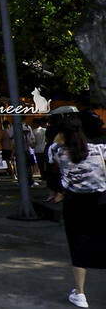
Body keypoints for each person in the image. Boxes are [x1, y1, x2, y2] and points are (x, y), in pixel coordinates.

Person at [50, 117, 106, 308]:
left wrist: (62, 135)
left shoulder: (57, 152)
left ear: (61, 133)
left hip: (75, 205)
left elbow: (55, 143)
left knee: (78, 246)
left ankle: (80, 293)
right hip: (101, 202)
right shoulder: (100, 149)